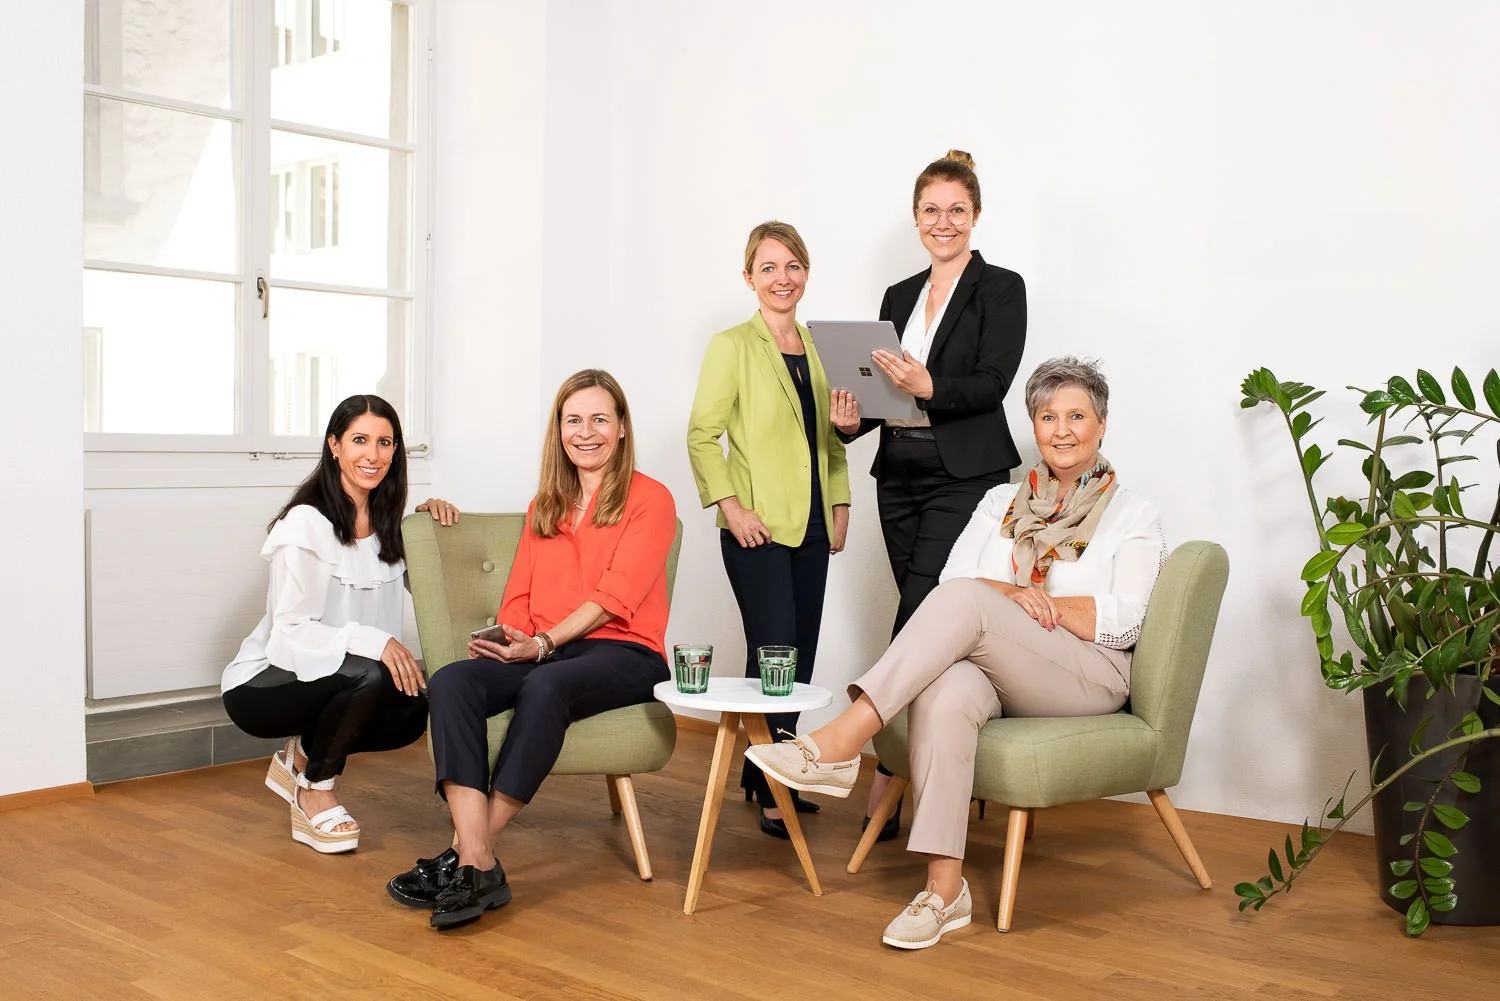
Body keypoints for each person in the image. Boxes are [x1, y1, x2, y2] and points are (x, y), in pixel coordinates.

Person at [749, 357, 1166, 950]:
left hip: (1088, 672)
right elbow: (953, 582)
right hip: (1005, 666)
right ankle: (944, 892)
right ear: (1034, 425)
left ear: (1102, 425)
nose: (1062, 430)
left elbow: (1126, 618)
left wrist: (1037, 604)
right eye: (1049, 417)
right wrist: (1014, 597)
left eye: (1077, 416)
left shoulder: (1132, 513)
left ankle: (842, 740)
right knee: (945, 691)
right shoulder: (1001, 501)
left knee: (970, 602)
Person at [387, 369, 677, 931]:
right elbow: (519, 596)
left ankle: (466, 856)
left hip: (625, 652)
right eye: (574, 420)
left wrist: (542, 644)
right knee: (451, 681)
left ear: (621, 428)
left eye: (600, 419)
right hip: (546, 651)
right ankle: (479, 863)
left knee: (546, 684)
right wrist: (509, 640)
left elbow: (612, 600)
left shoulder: (651, 499)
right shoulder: (547, 503)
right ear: (558, 430)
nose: (586, 432)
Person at [831, 149, 1027, 840]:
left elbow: (993, 383)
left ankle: (878, 775)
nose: (943, 222)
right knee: (926, 623)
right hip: (899, 475)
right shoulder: (898, 295)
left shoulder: (1000, 288)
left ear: (976, 215)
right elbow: (884, 394)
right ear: (915, 217)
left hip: (964, 475)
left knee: (919, 613)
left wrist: (930, 386)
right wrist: (851, 421)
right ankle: (934, 765)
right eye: (931, 210)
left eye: (956, 210)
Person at [221, 394, 459, 855]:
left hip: (344, 679)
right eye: (360, 440)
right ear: (334, 445)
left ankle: (303, 756)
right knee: (370, 672)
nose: (374, 455)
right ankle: (314, 789)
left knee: (413, 708)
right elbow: (289, 633)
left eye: (385, 442)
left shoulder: (391, 526)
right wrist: (375, 641)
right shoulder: (305, 523)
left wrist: (430, 529)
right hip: (263, 683)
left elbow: (437, 595)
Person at [687, 221, 851, 838]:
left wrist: (840, 503)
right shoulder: (731, 346)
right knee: (775, 652)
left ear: (806, 273)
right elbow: (702, 436)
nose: (782, 278)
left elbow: (829, 440)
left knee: (797, 658)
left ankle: (763, 774)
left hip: (813, 522)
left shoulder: (820, 348)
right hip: (755, 527)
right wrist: (732, 508)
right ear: (749, 277)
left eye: (793, 266)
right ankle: (777, 787)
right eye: (769, 267)